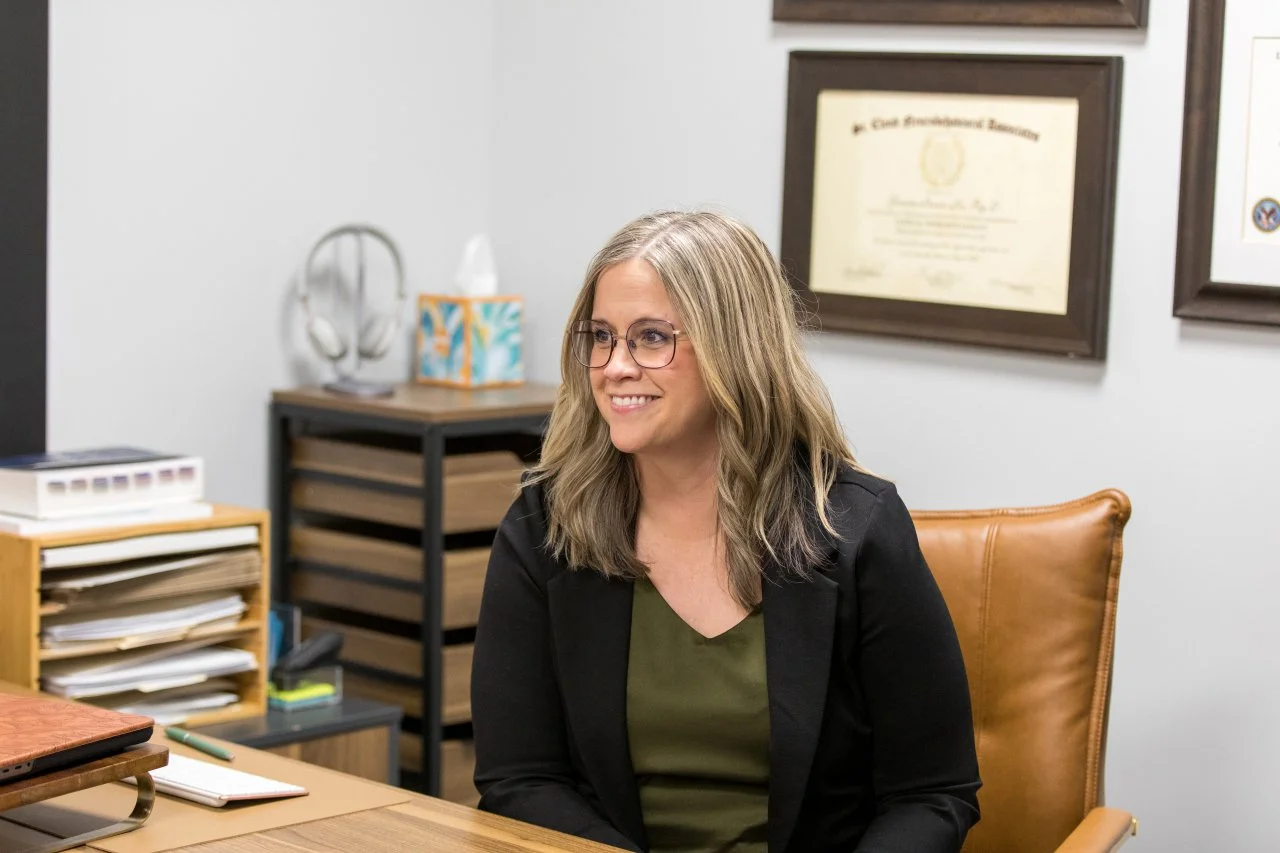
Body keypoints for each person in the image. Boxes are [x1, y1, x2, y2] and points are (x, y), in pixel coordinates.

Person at [469, 210, 981, 853]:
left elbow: (931, 794)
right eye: (601, 336)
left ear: (733, 347)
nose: (614, 367)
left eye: (650, 337)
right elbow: (520, 779)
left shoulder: (855, 528)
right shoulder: (546, 525)